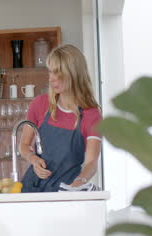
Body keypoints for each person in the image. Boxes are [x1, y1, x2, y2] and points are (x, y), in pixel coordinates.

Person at [19, 44, 102, 192]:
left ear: (74, 74)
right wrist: (34, 159)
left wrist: (78, 183)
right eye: (50, 72)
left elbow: (91, 162)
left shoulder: (91, 115)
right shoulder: (39, 104)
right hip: (32, 189)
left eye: (58, 73)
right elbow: (24, 145)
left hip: (66, 191)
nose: (52, 79)